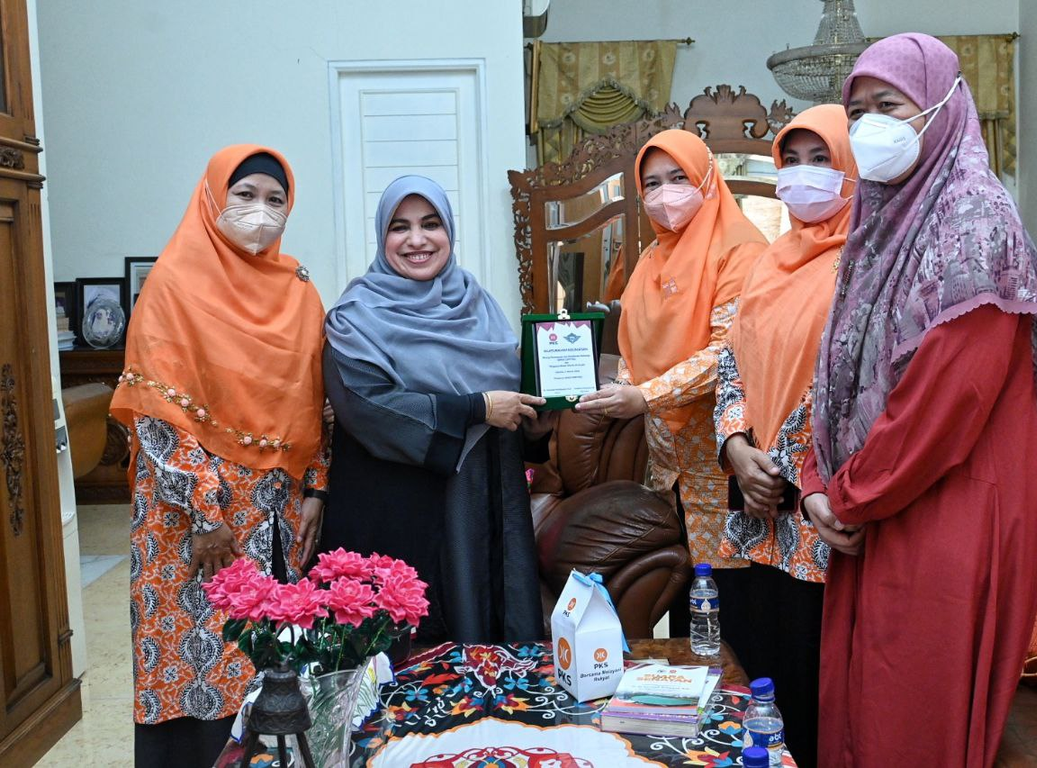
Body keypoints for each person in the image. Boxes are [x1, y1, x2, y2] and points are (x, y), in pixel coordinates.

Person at [800, 34, 1037, 767]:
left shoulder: (974, 225)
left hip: (950, 500)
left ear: (945, 110)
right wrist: (818, 488)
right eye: (856, 113)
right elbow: (841, 370)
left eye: (889, 107)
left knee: (908, 712)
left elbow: (946, 402)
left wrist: (846, 496)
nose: (868, 130)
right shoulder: (885, 220)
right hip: (882, 496)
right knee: (860, 699)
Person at [110, 145, 328, 768]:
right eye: (245, 195)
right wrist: (205, 515)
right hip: (190, 523)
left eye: (275, 200)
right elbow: (156, 415)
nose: (260, 212)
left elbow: (317, 405)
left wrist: (316, 489)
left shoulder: (301, 293)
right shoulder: (173, 286)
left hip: (275, 517)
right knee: (192, 670)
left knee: (266, 674)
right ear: (212, 198)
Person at [321, 175, 550, 644]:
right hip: (395, 510)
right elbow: (368, 406)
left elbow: (509, 408)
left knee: (484, 640)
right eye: (399, 227)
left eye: (430, 224)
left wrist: (541, 421)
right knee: (409, 658)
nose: (418, 240)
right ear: (382, 237)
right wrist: (476, 407)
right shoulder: (355, 315)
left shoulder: (479, 303)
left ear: (449, 230)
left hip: (478, 503)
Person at [577, 129, 768, 643]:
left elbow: (728, 356)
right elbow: (633, 344)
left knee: (733, 612)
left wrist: (644, 396)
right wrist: (616, 388)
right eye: (652, 183)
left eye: (678, 178)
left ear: (706, 179)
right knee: (684, 602)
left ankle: (735, 713)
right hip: (666, 466)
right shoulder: (649, 261)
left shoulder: (742, 251)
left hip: (723, 460)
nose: (665, 195)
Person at [712, 104, 856, 767]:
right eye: (790, 161)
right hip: (754, 508)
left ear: (852, 168)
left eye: (820, 159)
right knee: (754, 689)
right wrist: (738, 450)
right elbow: (731, 363)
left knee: (815, 694)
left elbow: (860, 384)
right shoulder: (770, 262)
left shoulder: (870, 263)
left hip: (819, 513)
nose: (802, 176)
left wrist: (786, 472)